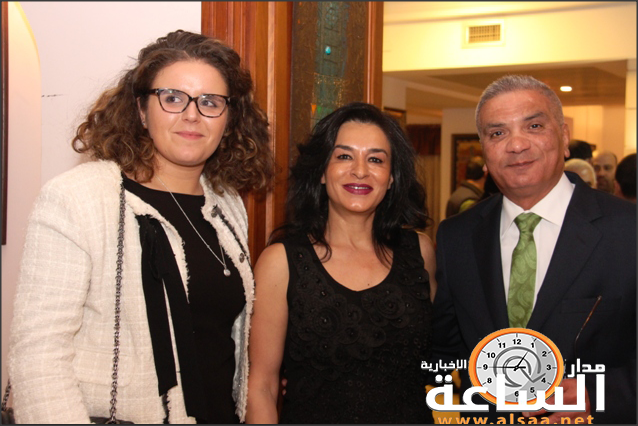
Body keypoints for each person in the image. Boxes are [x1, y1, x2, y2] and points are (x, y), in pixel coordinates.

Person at [8, 30, 274, 424]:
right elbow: (38, 357)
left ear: (229, 118)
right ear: (141, 110)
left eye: (210, 102)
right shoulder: (79, 199)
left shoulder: (227, 203)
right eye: (172, 98)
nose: (192, 115)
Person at [432, 75, 635, 424]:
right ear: (484, 151)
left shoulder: (628, 230)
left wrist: (600, 395)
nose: (516, 144)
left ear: (564, 137)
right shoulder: (457, 237)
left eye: (534, 126)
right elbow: (445, 351)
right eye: (498, 133)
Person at [246, 102, 437, 424]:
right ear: (322, 171)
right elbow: (261, 387)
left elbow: (440, 351)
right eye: (344, 156)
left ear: (392, 177)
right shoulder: (281, 262)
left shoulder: (420, 251)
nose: (360, 171)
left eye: (376, 159)